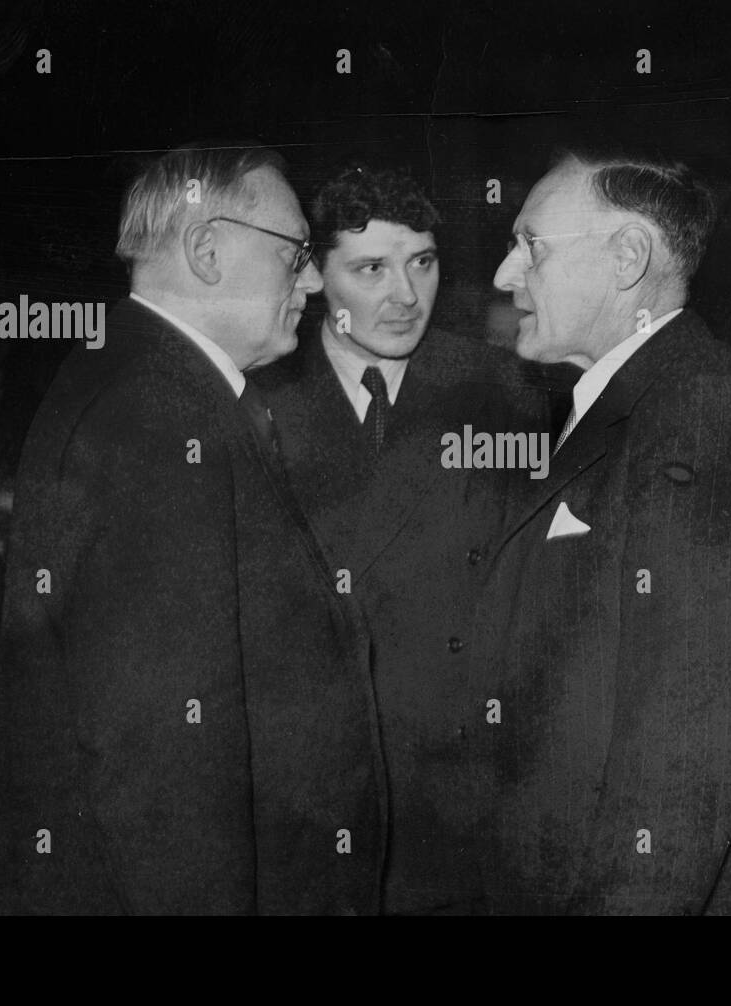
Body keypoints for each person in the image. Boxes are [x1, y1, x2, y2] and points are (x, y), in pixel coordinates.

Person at [0, 143, 386, 915]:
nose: (316, 279)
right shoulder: (158, 418)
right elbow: (161, 765)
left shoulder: (151, 384)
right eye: (295, 253)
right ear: (206, 250)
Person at [466, 147, 731, 914]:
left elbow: (690, 745)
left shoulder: (703, 414)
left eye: (529, 245)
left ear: (628, 257)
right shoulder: (625, 401)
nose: (503, 274)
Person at [252, 165, 552, 914]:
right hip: (319, 799)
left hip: (466, 793)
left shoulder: (500, 390)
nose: (405, 297)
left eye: (422, 262)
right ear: (316, 276)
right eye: (371, 270)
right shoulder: (258, 404)